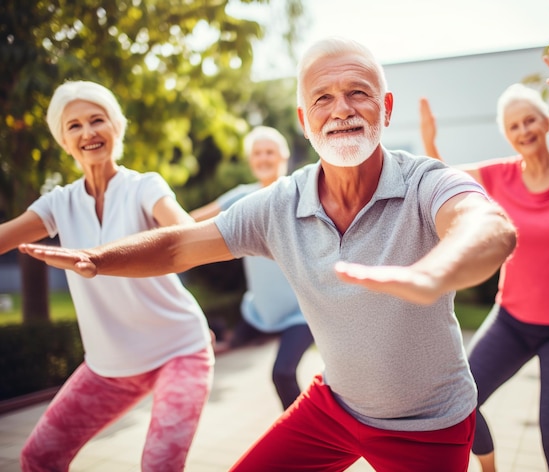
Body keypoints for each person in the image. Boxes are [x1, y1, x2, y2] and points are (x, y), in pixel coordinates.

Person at [20, 37, 517, 472]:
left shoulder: (424, 181)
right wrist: (99, 259)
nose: (340, 108)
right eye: (322, 98)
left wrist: (435, 271)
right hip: (336, 407)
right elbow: (180, 243)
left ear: (386, 108)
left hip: (428, 421)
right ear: (304, 120)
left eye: (357, 93)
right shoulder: (281, 202)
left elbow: (487, 226)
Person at [418, 45, 549, 472]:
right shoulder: (500, 175)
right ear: (507, 135)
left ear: (546, 123)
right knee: (461, 403)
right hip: (512, 320)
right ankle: (490, 468)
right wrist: (430, 142)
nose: (524, 130)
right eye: (514, 126)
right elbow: (442, 177)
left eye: (530, 119)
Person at [0, 80, 214, 471]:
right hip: (109, 366)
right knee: (38, 456)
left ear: (117, 127)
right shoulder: (59, 203)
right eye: (74, 126)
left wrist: (99, 257)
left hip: (179, 351)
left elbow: (187, 236)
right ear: (64, 141)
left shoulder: (144, 187)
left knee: (158, 465)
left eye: (97, 120)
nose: (88, 132)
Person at [190, 125, 314, 410]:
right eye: (257, 153)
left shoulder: (300, 190)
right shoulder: (241, 196)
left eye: (270, 152)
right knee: (227, 347)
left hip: (302, 309)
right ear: (251, 160)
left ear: (283, 156)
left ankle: (301, 436)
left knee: (282, 373)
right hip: (261, 310)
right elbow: (190, 221)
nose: (263, 158)